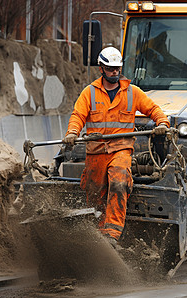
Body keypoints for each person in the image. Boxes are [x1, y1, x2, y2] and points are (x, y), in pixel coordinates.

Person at [63, 47, 169, 247]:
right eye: (110, 69)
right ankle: (97, 235)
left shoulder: (132, 92)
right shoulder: (90, 93)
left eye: (117, 68)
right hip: (96, 152)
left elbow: (153, 109)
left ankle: (111, 234)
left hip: (120, 148)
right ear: (101, 68)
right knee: (95, 193)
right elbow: (78, 115)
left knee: (119, 182)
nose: (115, 72)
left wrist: (162, 123)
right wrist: (72, 133)